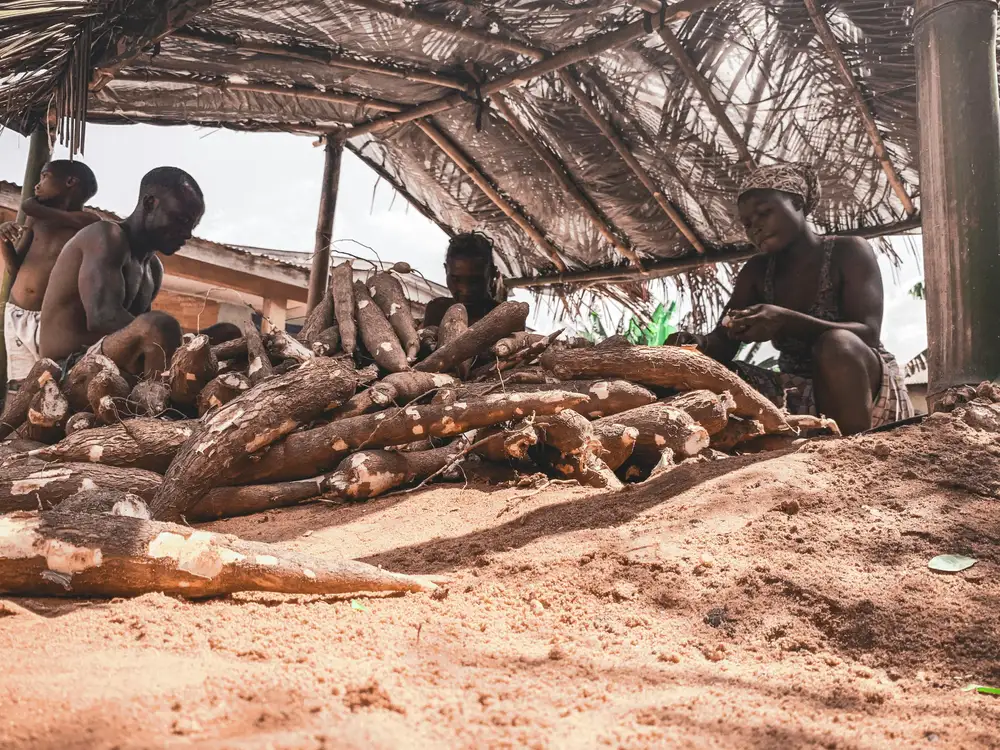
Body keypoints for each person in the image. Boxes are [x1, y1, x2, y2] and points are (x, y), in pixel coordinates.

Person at [668, 163, 912, 435]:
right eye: (747, 224)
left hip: (862, 389)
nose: (755, 228)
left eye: (764, 213)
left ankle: (847, 451)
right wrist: (697, 344)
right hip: (794, 394)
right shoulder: (757, 272)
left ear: (797, 202)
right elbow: (724, 343)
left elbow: (867, 335)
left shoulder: (848, 251)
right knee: (706, 373)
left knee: (836, 345)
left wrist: (785, 321)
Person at [39, 166, 205, 381]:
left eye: (193, 225)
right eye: (181, 220)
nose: (188, 234)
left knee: (226, 332)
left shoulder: (153, 267)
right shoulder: (106, 236)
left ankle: (176, 399)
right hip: (68, 369)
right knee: (160, 325)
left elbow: (138, 335)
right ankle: (167, 410)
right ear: (150, 203)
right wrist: (181, 345)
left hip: (116, 362)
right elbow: (102, 317)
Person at [0, 160, 100, 389]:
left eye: (44, 176)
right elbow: (16, 268)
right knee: (18, 386)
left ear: (70, 182)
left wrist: (31, 206)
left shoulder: (89, 223)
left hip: (52, 320)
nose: (37, 185)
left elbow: (30, 206)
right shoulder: (36, 219)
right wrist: (4, 242)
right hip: (16, 312)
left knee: (50, 384)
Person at [422, 232, 505, 327]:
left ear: (492, 273)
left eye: (475, 281)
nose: (465, 290)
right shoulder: (438, 310)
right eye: (456, 279)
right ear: (446, 271)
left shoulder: (506, 317)